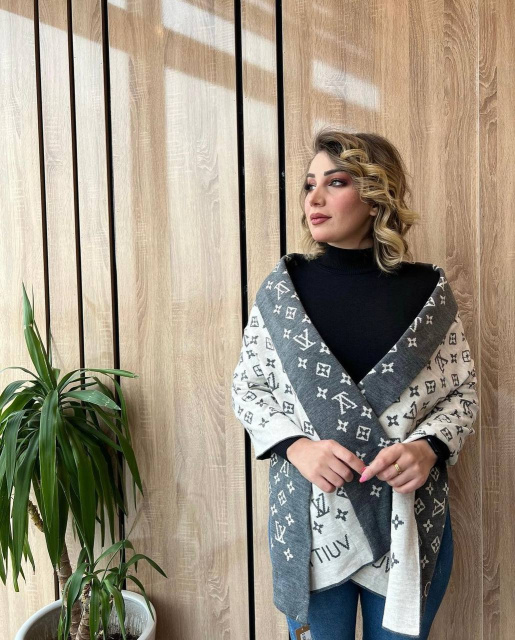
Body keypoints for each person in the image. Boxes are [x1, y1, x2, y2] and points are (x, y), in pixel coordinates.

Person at [231, 128, 478, 640]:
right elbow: (249, 389)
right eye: (309, 185)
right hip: (311, 521)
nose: (314, 198)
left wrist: (428, 448)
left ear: (375, 195)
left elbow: (463, 391)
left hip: (407, 518)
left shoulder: (428, 292)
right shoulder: (284, 290)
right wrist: (298, 447)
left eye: (336, 182)